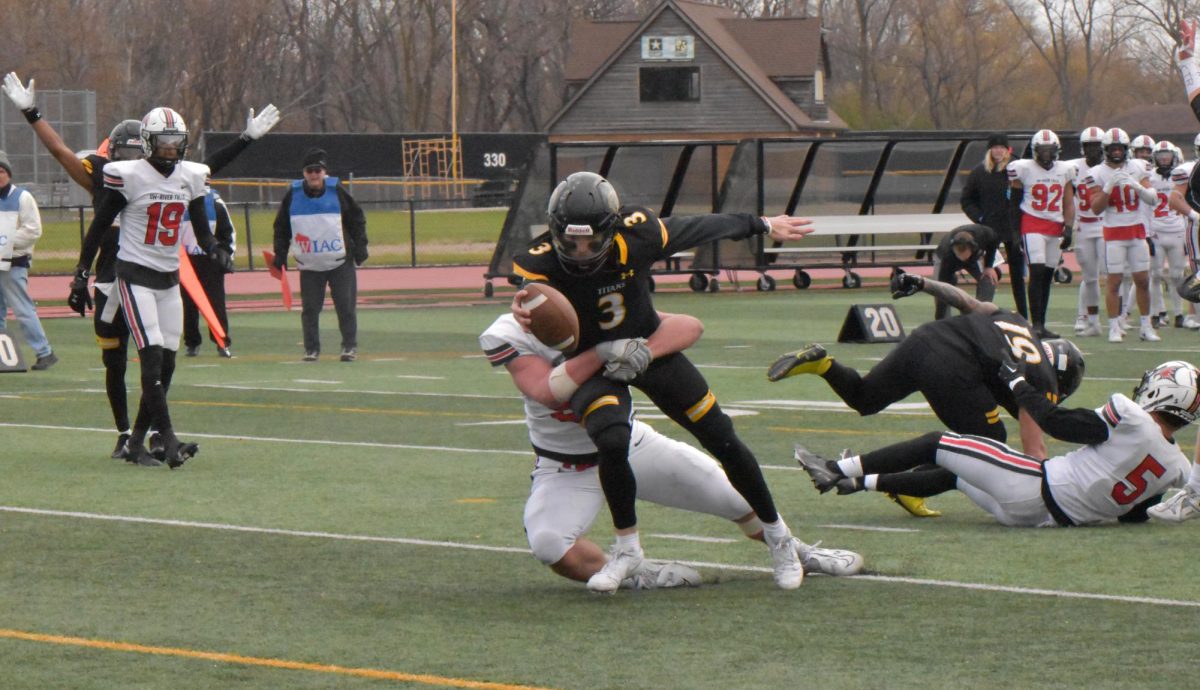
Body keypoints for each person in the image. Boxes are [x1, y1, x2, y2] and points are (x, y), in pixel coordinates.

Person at [510, 171, 814, 593]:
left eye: (591, 242)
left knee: (721, 436)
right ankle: (628, 548)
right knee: (611, 439)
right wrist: (524, 303)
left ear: (612, 229)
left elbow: (699, 227)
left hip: (648, 347)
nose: (581, 252)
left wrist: (761, 224)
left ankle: (779, 538)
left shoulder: (639, 234)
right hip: (595, 363)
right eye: (571, 242)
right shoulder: (537, 259)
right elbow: (530, 298)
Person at [3, 70, 279, 458]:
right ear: (114, 153)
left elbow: (205, 171)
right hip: (115, 276)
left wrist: (246, 140)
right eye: (128, 152)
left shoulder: (173, 172)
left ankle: (143, 435)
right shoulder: (108, 176)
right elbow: (62, 153)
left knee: (160, 358)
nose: (138, 158)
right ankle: (125, 435)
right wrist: (32, 113)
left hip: (157, 274)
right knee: (115, 359)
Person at [480, 310, 864, 589]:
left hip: (631, 445)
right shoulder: (511, 332)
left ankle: (795, 551)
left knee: (734, 498)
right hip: (566, 467)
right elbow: (546, 390)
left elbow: (689, 325)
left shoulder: (598, 310)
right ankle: (637, 573)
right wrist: (602, 353)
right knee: (549, 544)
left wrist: (643, 347)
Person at [768, 272, 1083, 515]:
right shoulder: (1044, 383)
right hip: (953, 362)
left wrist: (922, 282)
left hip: (926, 338)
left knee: (864, 398)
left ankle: (823, 364)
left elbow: (966, 302)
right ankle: (896, 485)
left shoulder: (1016, 321)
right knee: (986, 450)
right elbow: (1034, 454)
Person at [795, 359, 1199, 528]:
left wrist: (1018, 383)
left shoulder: (1131, 417)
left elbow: (1058, 424)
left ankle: (836, 470)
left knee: (940, 444)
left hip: (1034, 486)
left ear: (1164, 393)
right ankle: (859, 484)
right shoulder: (1177, 467)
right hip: (1044, 521)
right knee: (954, 475)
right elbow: (1132, 514)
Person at [74, 107, 233, 468]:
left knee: (168, 362)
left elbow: (210, 172)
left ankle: (136, 443)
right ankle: (167, 439)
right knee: (140, 359)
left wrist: (248, 138)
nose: (170, 150)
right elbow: (98, 226)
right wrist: (81, 272)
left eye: (176, 143)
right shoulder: (123, 176)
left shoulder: (187, 176)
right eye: (163, 143)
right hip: (130, 277)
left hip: (168, 278)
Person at [272, 148, 368, 362]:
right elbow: (281, 228)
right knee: (310, 310)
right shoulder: (293, 195)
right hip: (309, 266)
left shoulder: (337, 191)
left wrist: (360, 246)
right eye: (310, 171)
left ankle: (349, 347)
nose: (314, 174)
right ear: (304, 174)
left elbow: (356, 218)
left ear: (325, 172)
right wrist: (280, 255)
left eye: (318, 170)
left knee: (345, 306)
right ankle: (311, 349)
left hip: (340, 262)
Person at [1083, 128, 1159, 343]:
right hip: (1113, 233)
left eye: (1120, 148)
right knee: (1114, 281)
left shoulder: (1138, 166)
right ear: (1105, 150)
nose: (1116, 152)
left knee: (1143, 280)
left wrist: (1135, 184)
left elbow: (1152, 199)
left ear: (1126, 149)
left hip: (1136, 231)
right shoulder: (1096, 173)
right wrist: (1108, 187)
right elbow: (1096, 208)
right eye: (1112, 149)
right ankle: (1114, 327)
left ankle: (1146, 326)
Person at [1007, 129, 1076, 339]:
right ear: (1035, 151)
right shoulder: (1023, 169)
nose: (1046, 155)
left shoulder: (1065, 170)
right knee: (1036, 272)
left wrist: (1069, 228)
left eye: (1050, 150)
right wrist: (1015, 231)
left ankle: (1041, 324)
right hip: (1032, 222)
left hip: (1055, 226)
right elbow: (1014, 202)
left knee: (1047, 276)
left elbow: (1068, 201)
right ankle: (1035, 324)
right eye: (1042, 151)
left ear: (1056, 151)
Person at [0, 150, 56, 370]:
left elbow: (33, 230)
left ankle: (44, 352)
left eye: (2, 171)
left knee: (23, 309)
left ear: (9, 174)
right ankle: (3, 354)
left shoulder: (22, 197)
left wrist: (6, 244)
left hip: (14, 264)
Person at [961, 132, 1026, 318]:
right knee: (987, 272)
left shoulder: (1016, 169)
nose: (998, 151)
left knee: (1017, 276)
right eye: (994, 147)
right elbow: (966, 199)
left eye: (1001, 147)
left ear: (1008, 149)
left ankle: (1024, 315)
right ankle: (982, 312)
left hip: (1013, 230)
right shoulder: (980, 172)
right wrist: (980, 218)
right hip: (989, 230)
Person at [181, 188, 236, 358]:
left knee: (216, 303)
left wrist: (226, 254)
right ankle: (192, 343)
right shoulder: (176, 200)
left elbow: (228, 232)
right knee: (187, 305)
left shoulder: (215, 203)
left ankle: (221, 341)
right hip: (185, 260)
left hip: (210, 259)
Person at [1069, 126, 1107, 337]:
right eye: (1089, 146)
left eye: (1096, 146)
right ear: (1083, 148)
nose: (1093, 151)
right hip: (1084, 225)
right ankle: (1084, 316)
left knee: (1111, 274)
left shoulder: (1109, 168)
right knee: (1089, 276)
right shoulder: (1072, 167)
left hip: (1104, 223)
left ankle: (1117, 318)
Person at [1146, 141, 1188, 329]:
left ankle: (1179, 314)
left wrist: (1188, 233)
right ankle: (1156, 314)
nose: (1164, 159)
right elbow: (1144, 207)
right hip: (1156, 231)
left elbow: (1187, 205)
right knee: (1155, 275)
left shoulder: (1181, 176)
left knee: (1177, 275)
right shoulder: (1148, 177)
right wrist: (1147, 233)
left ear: (1174, 156)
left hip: (1177, 230)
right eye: (1160, 155)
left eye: (1167, 155)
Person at [929, 223, 1000, 320]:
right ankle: (945, 322)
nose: (963, 260)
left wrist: (988, 266)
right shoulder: (947, 254)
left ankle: (980, 316)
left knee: (989, 279)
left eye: (965, 256)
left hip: (974, 260)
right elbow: (943, 287)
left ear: (973, 247)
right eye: (960, 256)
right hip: (947, 260)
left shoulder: (984, 233)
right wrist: (940, 318)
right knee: (941, 290)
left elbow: (994, 241)